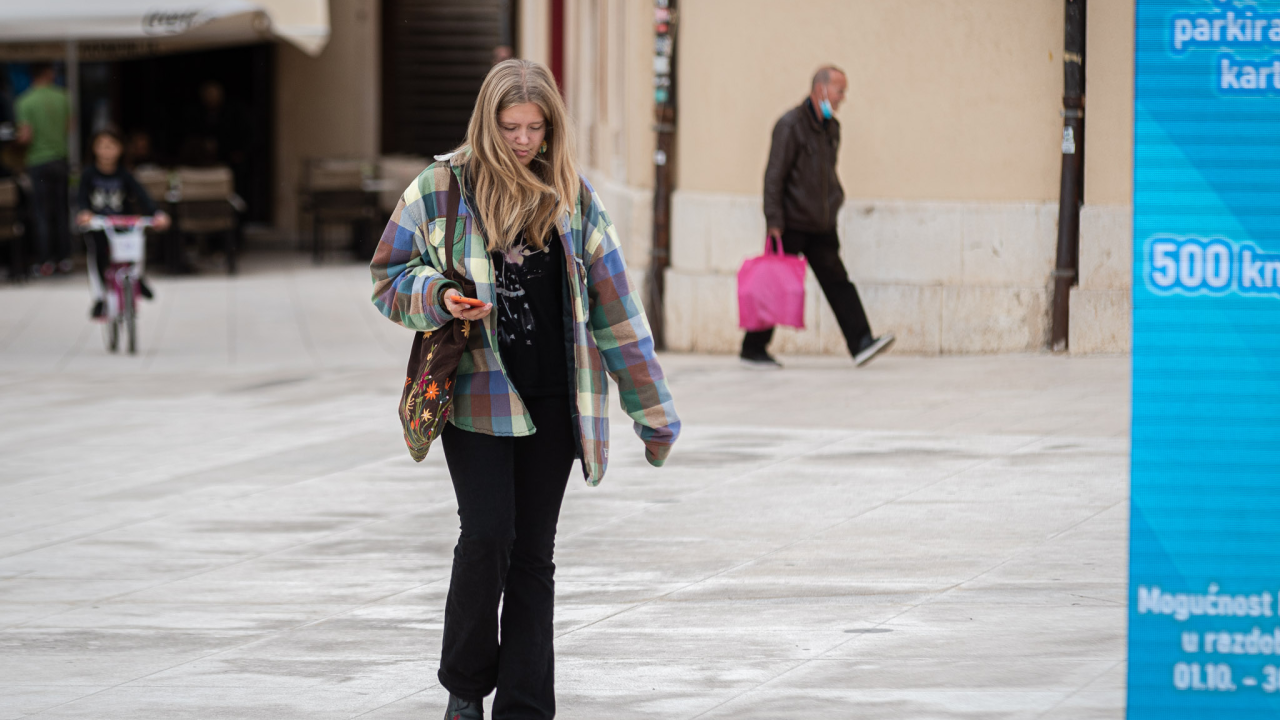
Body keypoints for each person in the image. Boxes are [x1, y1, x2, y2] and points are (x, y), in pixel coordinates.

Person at [370, 59, 679, 720]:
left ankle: (526, 707)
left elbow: (618, 312)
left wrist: (652, 412)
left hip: (555, 403)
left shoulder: (573, 197)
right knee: (487, 535)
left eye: (535, 128)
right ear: (488, 123)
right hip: (475, 398)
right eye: (510, 127)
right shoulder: (441, 188)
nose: (522, 140)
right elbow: (388, 278)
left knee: (534, 554)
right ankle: (464, 687)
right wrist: (439, 296)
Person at [742, 65, 895, 369]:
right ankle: (753, 347)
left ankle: (861, 342)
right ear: (821, 89)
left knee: (838, 281)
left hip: (821, 224)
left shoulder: (832, 128)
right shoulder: (790, 126)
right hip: (791, 223)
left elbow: (827, 174)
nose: (842, 98)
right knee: (775, 283)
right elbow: (774, 176)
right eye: (839, 90)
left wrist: (835, 202)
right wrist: (774, 220)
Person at [75, 126, 170, 318]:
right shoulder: (88, 174)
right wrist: (84, 213)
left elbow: (142, 196)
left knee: (134, 249)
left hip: (123, 224)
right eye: (102, 146)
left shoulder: (125, 174)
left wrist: (157, 214)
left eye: (111, 146)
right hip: (99, 226)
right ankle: (100, 298)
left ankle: (138, 278)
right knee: (97, 256)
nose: (106, 151)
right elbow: (81, 198)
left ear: (120, 149)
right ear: (94, 149)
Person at [15, 63, 71, 277]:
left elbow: (25, 136)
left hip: (38, 160)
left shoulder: (25, 101)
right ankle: (64, 259)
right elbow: (69, 127)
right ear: (49, 74)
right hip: (60, 158)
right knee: (62, 211)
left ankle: (45, 261)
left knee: (41, 213)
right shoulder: (64, 97)